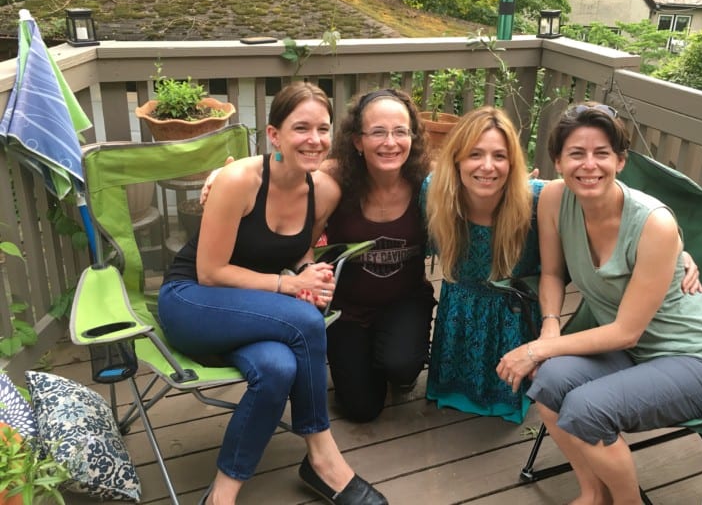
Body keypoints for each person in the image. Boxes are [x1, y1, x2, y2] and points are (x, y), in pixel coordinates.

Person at [158, 82, 387, 505]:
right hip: (191, 302)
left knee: (279, 367)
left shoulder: (324, 191)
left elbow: (296, 250)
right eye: (301, 128)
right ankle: (322, 456)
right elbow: (210, 272)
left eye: (322, 128)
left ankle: (221, 495)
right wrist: (287, 285)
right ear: (274, 134)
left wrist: (309, 274)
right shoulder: (240, 180)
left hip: (247, 312)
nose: (314, 139)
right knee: (303, 321)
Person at [496, 103, 702, 505]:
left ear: (621, 161)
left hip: (696, 359)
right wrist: (550, 325)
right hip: (628, 352)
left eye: (602, 153)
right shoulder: (554, 199)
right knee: (548, 381)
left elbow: (627, 332)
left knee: (587, 409)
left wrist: (537, 348)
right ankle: (593, 493)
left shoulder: (653, 224)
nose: (589, 165)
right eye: (576, 153)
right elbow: (553, 274)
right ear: (557, 160)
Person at [423, 106, 546, 423]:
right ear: (457, 159)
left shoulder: (537, 200)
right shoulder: (434, 192)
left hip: (514, 320)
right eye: (475, 154)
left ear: (512, 162)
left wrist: (676, 251)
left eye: (499, 156)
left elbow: (609, 208)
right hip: (457, 319)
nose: (487, 167)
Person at [323, 89, 436, 422]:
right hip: (347, 310)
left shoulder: (428, 180)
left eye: (400, 131)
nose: (391, 142)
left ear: (412, 137)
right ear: (358, 141)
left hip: (405, 300)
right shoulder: (334, 177)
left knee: (401, 369)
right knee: (361, 410)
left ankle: (395, 356)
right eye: (378, 132)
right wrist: (225, 175)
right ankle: (363, 355)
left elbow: (483, 179)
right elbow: (282, 173)